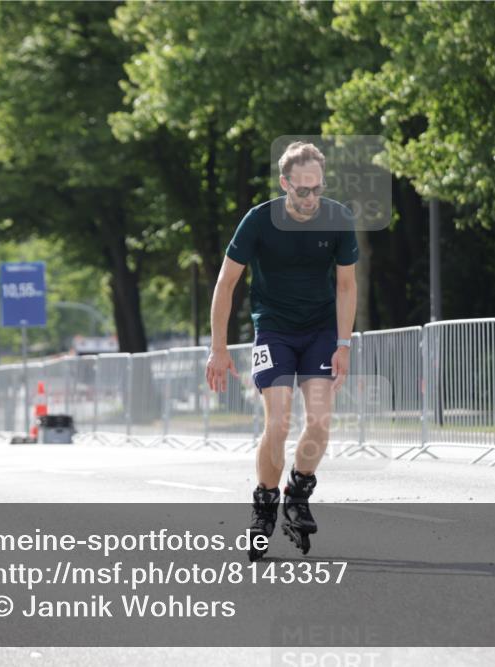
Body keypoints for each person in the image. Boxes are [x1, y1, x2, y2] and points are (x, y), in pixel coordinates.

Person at [206, 141, 358, 558]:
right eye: (302, 190)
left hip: (321, 331)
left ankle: (298, 489)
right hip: (273, 330)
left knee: (321, 421)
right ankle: (264, 505)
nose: (311, 199)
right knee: (278, 423)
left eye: (318, 189)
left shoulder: (338, 219)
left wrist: (343, 343)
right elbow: (225, 283)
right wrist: (218, 348)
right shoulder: (258, 221)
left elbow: (346, 285)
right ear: (285, 183)